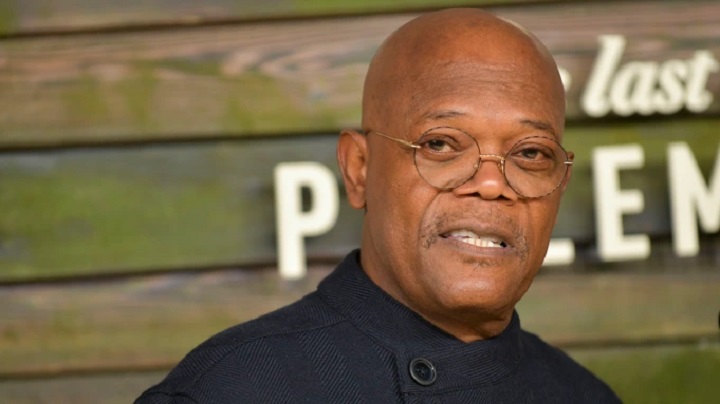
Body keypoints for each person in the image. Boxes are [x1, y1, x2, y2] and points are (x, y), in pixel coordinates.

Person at [137, 8, 620, 403]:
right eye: (440, 145)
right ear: (360, 170)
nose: (492, 183)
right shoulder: (230, 390)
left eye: (531, 153)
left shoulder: (584, 395)